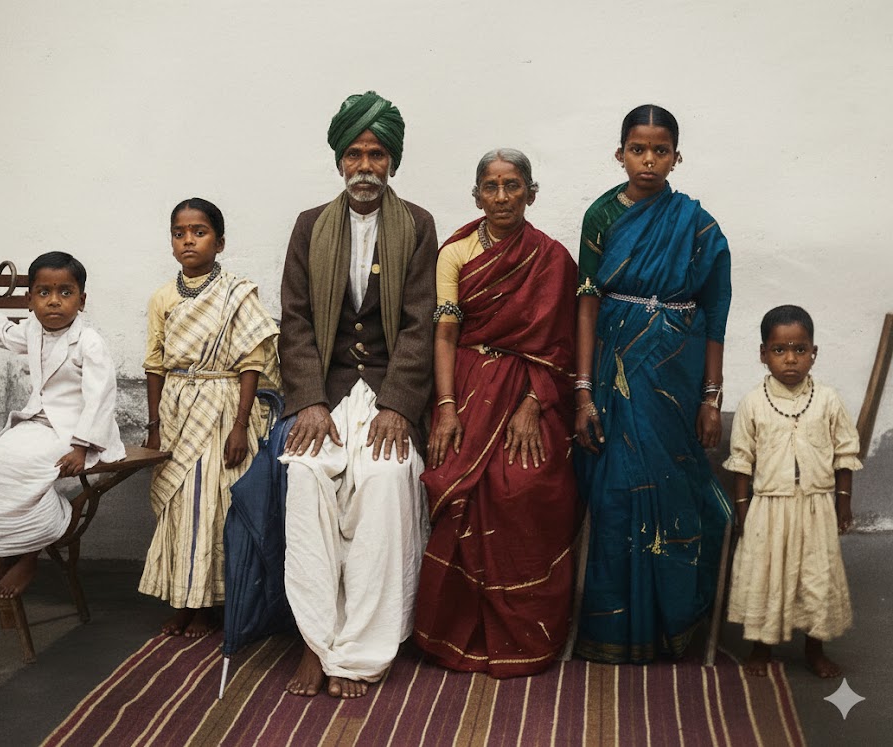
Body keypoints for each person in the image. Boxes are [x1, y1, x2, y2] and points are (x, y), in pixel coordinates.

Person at [279, 91, 437, 698]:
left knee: (385, 482)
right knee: (306, 478)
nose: (365, 165)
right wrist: (309, 401)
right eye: (354, 153)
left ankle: (365, 649)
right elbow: (294, 320)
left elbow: (422, 324)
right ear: (339, 161)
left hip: (388, 400)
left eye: (376, 154)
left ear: (391, 162)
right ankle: (318, 642)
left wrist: (399, 404)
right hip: (328, 395)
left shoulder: (418, 225)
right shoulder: (309, 226)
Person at [573, 105, 732, 664]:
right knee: (617, 493)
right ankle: (616, 631)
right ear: (620, 154)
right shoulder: (600, 217)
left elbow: (716, 315)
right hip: (615, 374)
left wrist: (712, 397)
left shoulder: (699, 225)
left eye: (660, 150)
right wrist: (584, 391)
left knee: (677, 491)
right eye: (638, 149)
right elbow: (587, 305)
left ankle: (675, 621)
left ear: (676, 157)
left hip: (675, 378)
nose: (648, 160)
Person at [413, 149, 578, 677]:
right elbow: (445, 331)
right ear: (476, 194)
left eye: (513, 186)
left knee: (525, 484)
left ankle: (525, 633)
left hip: (534, 389)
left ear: (532, 191)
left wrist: (533, 404)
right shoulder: (456, 253)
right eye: (491, 186)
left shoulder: (551, 258)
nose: (502, 197)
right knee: (455, 481)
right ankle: (453, 632)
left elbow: (561, 346)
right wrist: (444, 408)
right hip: (466, 387)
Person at [139, 198, 280, 638]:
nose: (188, 240)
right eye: (179, 233)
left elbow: (253, 362)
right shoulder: (162, 297)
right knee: (180, 506)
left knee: (215, 504)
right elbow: (154, 364)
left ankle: (212, 605)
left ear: (219, 242)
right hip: (178, 410)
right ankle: (182, 599)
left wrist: (240, 426)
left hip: (225, 408)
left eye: (198, 232)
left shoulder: (238, 293)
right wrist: (155, 427)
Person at [0, 253, 126, 599]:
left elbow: (99, 398)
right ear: (30, 300)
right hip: (39, 424)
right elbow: (1, 333)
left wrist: (81, 446)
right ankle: (1, 552)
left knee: (27, 468)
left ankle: (29, 556)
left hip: (76, 431)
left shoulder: (89, 342)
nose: (54, 301)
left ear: (82, 299)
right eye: (44, 293)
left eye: (65, 292)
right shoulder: (33, 330)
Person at [725, 305, 859, 678]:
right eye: (780, 350)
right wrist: (743, 509)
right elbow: (742, 461)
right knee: (767, 576)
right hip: (769, 507)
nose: (790, 359)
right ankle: (761, 649)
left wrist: (843, 504)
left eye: (800, 350)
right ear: (763, 354)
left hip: (816, 506)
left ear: (813, 353)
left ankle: (815, 650)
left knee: (816, 577)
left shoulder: (828, 400)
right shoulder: (753, 402)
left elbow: (845, 454)